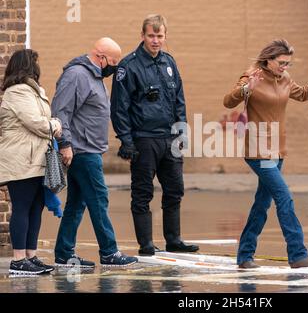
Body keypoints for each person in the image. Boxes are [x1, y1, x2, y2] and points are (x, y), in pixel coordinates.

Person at [223, 39, 308, 269]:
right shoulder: (252, 76)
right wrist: (247, 89)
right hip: (259, 151)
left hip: (278, 150)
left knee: (261, 205)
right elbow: (228, 101)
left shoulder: (284, 79)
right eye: (282, 62)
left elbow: (304, 93)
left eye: (288, 63)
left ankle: (245, 256)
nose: (285, 67)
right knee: (284, 197)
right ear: (269, 60)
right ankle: (297, 254)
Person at [111, 14, 199, 256]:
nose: (155, 40)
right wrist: (126, 140)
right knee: (143, 192)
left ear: (165, 36)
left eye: (160, 36)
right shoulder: (128, 67)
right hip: (144, 138)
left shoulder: (169, 63)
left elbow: (179, 101)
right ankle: (146, 244)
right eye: (151, 35)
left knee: (175, 189)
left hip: (169, 138)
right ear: (142, 36)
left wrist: (181, 132)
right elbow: (119, 108)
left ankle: (174, 240)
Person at [51, 38, 138, 267]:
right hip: (82, 151)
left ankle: (63, 253)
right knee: (99, 199)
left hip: (88, 149)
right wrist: (65, 144)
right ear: (100, 57)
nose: (115, 67)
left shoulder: (95, 77)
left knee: (77, 203)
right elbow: (61, 111)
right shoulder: (77, 75)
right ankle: (109, 252)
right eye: (113, 62)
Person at [0, 49, 62, 275]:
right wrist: (54, 124)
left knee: (36, 208)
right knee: (23, 207)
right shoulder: (16, 92)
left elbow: (42, 121)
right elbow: (36, 123)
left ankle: (30, 256)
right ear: (26, 66)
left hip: (36, 159)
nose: (38, 67)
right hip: (20, 160)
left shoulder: (34, 91)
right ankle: (18, 260)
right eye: (35, 63)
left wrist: (51, 123)